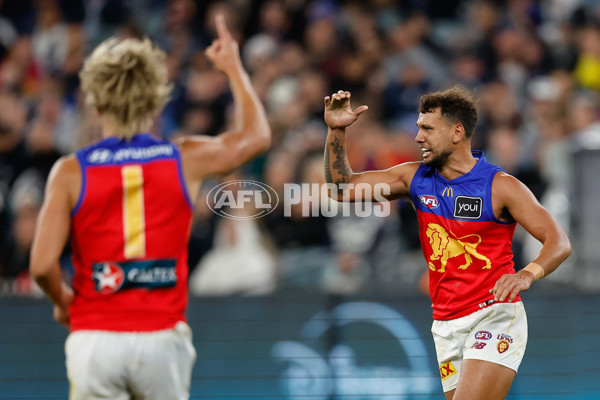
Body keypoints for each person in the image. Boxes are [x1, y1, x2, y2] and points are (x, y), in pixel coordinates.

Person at [29, 14, 270, 400]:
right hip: (161, 337)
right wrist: (233, 68)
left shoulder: (70, 172)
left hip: (96, 336)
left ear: (97, 99)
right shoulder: (184, 158)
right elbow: (256, 137)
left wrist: (63, 302)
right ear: (156, 96)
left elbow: (41, 266)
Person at [323, 86, 571, 400]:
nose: (417, 137)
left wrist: (527, 273)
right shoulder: (413, 179)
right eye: (418, 128)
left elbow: (558, 241)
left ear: (457, 132)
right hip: (446, 323)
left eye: (427, 128)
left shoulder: (501, 186)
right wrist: (336, 131)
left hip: (492, 314)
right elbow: (342, 189)